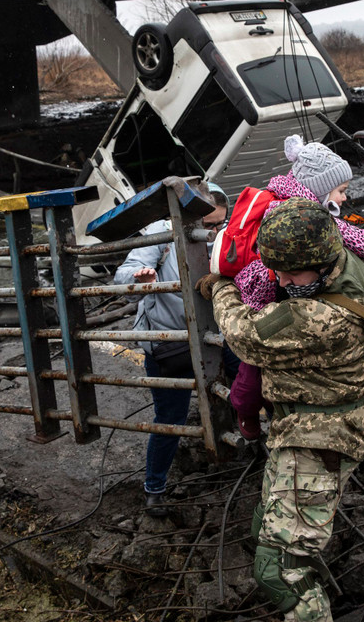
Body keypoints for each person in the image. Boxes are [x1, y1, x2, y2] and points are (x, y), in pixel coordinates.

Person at [203, 199, 364, 622]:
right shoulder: (350, 262)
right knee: (266, 528)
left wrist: (222, 285)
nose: (284, 281)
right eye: (279, 271)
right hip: (303, 429)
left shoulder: (322, 316)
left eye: (294, 274)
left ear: (324, 262)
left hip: (318, 439)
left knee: (279, 570)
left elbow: (245, 335)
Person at [229, 134, 364, 440]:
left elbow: (342, 231)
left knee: (261, 362)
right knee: (253, 362)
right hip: (269, 295)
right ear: (320, 190)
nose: (345, 198)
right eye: (341, 191)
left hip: (284, 295)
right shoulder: (296, 217)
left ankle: (261, 413)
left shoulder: (306, 212)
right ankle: (248, 415)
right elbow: (341, 232)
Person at [113, 182, 238, 517]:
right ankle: (154, 489)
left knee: (247, 381)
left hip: (216, 336)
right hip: (170, 342)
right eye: (207, 226)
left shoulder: (225, 237)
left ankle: (250, 441)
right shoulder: (161, 234)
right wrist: (139, 279)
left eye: (219, 225)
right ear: (186, 219)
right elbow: (123, 276)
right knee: (171, 417)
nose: (212, 233)